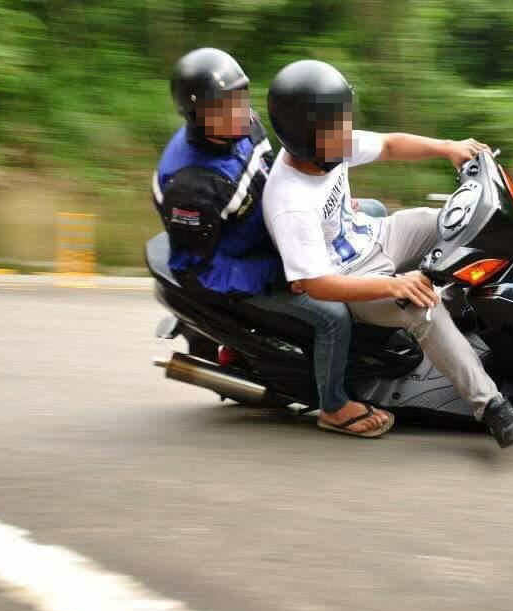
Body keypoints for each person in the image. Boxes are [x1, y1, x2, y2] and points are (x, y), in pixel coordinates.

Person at [262, 60, 513, 448]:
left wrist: (447, 148)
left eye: (344, 119)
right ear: (305, 135)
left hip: (377, 235)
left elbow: (389, 145)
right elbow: (315, 284)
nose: (346, 133)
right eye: (335, 126)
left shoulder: (330, 142)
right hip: (352, 278)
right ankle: (490, 406)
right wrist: (392, 286)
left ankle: (473, 306)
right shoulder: (290, 200)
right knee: (423, 306)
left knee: (447, 223)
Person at [152, 48, 393, 437]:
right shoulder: (192, 185)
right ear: (195, 114)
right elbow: (199, 269)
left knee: (376, 210)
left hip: (272, 231)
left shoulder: (242, 122)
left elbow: (282, 168)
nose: (238, 112)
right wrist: (278, 273)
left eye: (240, 98)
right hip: (244, 264)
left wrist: (325, 206)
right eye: (222, 107)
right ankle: (334, 405)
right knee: (332, 315)